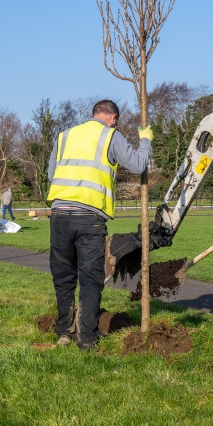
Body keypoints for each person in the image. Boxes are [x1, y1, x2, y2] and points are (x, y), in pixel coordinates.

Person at [47, 99, 152, 350]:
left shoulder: (64, 136)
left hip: (60, 216)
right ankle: (87, 340)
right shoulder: (110, 136)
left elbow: (52, 174)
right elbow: (138, 164)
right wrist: (146, 139)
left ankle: (64, 332)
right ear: (113, 118)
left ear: (93, 114)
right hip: (89, 219)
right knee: (91, 279)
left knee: (63, 277)